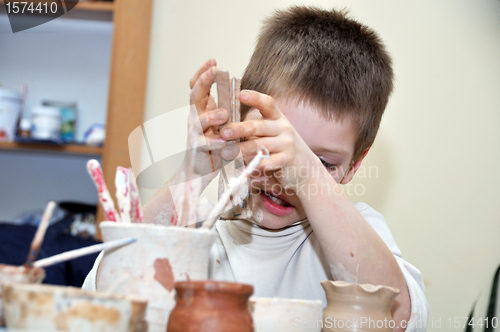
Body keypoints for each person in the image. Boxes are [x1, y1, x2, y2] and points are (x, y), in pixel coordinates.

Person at [84, 5, 428, 331]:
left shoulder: (358, 232)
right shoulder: (199, 229)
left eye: (320, 163)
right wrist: (193, 172)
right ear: (236, 124)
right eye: (269, 143)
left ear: (354, 167)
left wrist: (309, 174)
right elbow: (105, 297)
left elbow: (401, 320)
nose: (284, 176)